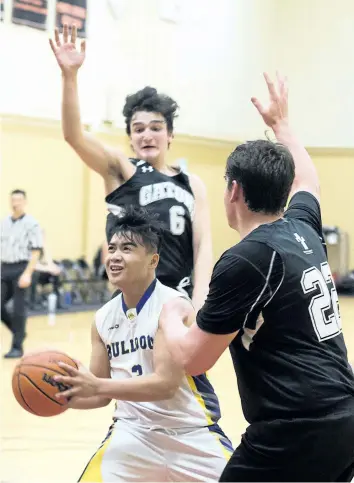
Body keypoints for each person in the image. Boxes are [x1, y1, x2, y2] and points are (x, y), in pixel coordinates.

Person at [159, 73, 354, 482]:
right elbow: (309, 179)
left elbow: (195, 359)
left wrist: (168, 318)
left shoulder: (245, 258)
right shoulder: (304, 226)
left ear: (233, 191)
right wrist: (282, 124)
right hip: (342, 418)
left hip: (294, 430)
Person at [53, 205, 233, 482]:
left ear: (153, 260)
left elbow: (165, 384)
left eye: (127, 249)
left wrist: (96, 385)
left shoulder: (173, 307)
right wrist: (60, 398)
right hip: (132, 434)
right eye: (111, 248)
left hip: (191, 433)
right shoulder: (102, 318)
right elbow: (100, 395)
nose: (114, 256)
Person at [49, 24, 213, 310]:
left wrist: (199, 306)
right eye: (138, 129)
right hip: (132, 303)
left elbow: (203, 249)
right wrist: (69, 77)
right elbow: (73, 136)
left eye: (156, 127)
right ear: (130, 138)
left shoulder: (192, 184)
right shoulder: (121, 169)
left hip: (177, 303)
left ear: (170, 135)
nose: (147, 135)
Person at [1, 190, 43, 358]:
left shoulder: (32, 223)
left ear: (24, 202)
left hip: (22, 268)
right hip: (5, 267)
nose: (15, 203)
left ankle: (17, 347)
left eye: (18, 200)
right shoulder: (4, 222)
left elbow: (36, 251)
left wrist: (27, 273)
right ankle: (19, 332)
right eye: (13, 200)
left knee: (19, 308)